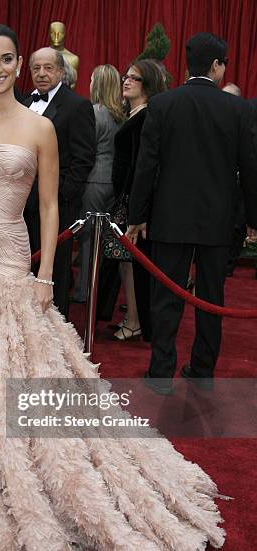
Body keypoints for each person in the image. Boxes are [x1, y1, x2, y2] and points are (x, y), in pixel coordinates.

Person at [0, 23, 225, 551]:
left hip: (9, 255)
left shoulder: (40, 128)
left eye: (6, 59)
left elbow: (46, 207)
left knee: (15, 362)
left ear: (20, 65)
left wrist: (44, 274)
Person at [128, 32, 257, 395]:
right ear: (217, 65)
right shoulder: (239, 109)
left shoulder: (164, 104)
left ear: (189, 64)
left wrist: (137, 214)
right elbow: (250, 168)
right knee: (211, 298)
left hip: (170, 217)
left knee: (165, 296)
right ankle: (202, 372)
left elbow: (146, 165)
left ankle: (160, 373)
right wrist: (253, 220)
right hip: (217, 220)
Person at [23, 46, 95, 318]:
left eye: (48, 68)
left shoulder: (77, 106)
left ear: (62, 72)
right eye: (36, 68)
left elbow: (83, 160)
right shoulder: (22, 102)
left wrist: (61, 195)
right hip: (19, 206)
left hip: (56, 208)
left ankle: (53, 333)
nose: (41, 74)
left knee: (55, 274)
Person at [110, 60, 166, 342]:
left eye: (135, 78)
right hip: (126, 200)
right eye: (126, 76)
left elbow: (142, 167)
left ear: (149, 85)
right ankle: (132, 317)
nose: (127, 81)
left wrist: (135, 209)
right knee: (125, 262)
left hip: (134, 203)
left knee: (132, 262)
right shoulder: (135, 115)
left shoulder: (146, 118)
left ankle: (135, 320)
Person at [72, 64, 124, 303]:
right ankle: (95, 291)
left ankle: (84, 292)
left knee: (88, 241)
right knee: (102, 241)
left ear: (98, 84)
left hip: (93, 181)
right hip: (113, 183)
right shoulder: (121, 114)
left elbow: (84, 149)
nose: (90, 83)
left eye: (92, 79)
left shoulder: (94, 112)